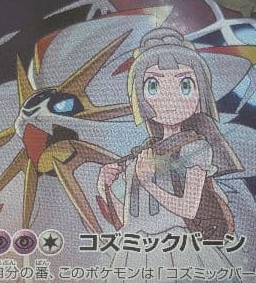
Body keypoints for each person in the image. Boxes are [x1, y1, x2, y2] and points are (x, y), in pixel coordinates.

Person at [97, 28, 242, 246]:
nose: (169, 98)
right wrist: (104, 188)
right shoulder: (142, 155)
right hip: (140, 249)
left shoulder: (195, 148)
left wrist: (148, 183)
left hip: (181, 244)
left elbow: (189, 209)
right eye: (153, 86)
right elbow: (130, 220)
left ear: (200, 95)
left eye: (185, 85)